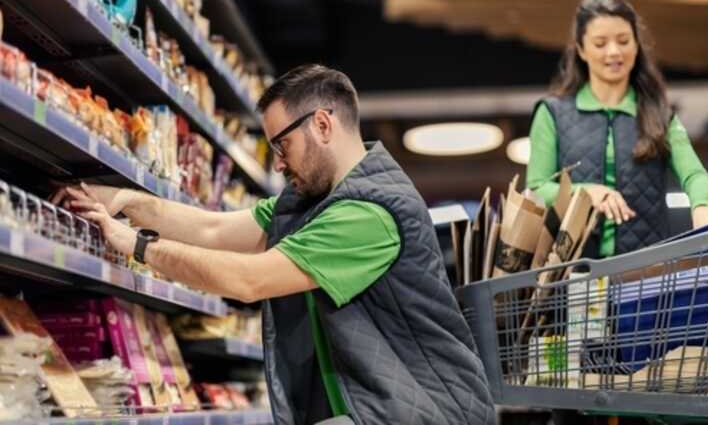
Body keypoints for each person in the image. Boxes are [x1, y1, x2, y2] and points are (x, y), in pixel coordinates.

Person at [53, 64, 494, 425]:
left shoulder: (366, 214)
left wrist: (138, 245)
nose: (278, 163)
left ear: (323, 124)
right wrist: (127, 201)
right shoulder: (311, 201)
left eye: (283, 145)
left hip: (428, 413)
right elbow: (213, 231)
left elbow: (248, 280)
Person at [527, 0, 708, 258]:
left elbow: (695, 175)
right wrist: (586, 193)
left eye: (623, 41)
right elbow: (537, 188)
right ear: (581, 50)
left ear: (636, 45)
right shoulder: (552, 113)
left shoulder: (659, 114)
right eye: (600, 43)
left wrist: (703, 207)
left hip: (645, 274)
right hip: (573, 273)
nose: (614, 51)